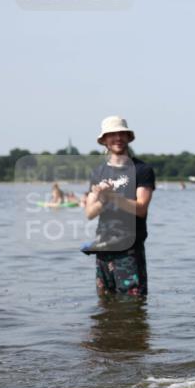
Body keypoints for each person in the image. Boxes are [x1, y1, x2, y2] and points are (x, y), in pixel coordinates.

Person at [84, 116, 156, 297]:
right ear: (104, 141)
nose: (118, 138)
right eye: (112, 134)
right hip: (103, 249)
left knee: (133, 306)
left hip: (129, 251)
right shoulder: (98, 172)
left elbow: (141, 209)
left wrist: (112, 196)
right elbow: (89, 213)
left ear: (128, 137)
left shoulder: (142, 170)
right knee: (105, 306)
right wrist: (102, 199)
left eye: (122, 133)